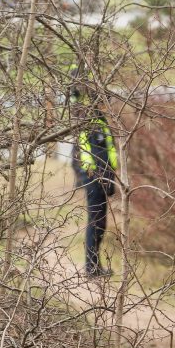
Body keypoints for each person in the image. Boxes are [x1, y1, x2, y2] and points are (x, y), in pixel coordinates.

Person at [74, 107, 118, 277]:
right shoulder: (92, 125)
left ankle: (94, 265)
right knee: (95, 222)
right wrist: (103, 180)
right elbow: (94, 156)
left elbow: (108, 153)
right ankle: (91, 267)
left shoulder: (100, 123)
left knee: (100, 223)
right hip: (95, 179)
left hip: (101, 178)